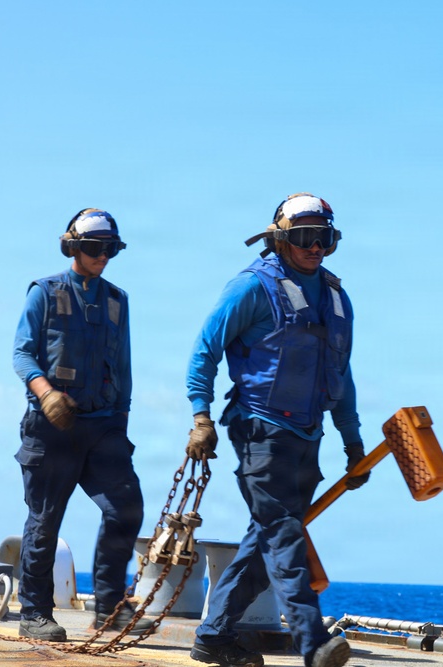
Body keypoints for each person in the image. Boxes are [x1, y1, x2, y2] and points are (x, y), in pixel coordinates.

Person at [185, 193, 369, 667]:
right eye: (306, 238)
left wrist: (353, 443)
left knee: (265, 539)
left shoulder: (335, 297)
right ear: (281, 238)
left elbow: (341, 375)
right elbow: (205, 351)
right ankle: (313, 641)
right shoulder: (251, 288)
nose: (315, 248)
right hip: (259, 432)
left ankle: (214, 634)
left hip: (309, 438)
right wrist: (200, 417)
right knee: (284, 535)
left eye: (324, 238)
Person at [12, 208, 152, 641]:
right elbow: (21, 354)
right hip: (52, 426)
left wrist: (122, 423)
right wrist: (47, 393)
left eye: (109, 249)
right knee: (46, 518)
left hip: (105, 426)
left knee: (125, 508)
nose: (102, 256)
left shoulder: (117, 300)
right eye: (94, 248)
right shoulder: (45, 292)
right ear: (73, 247)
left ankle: (110, 608)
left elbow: (124, 368)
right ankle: (35, 614)